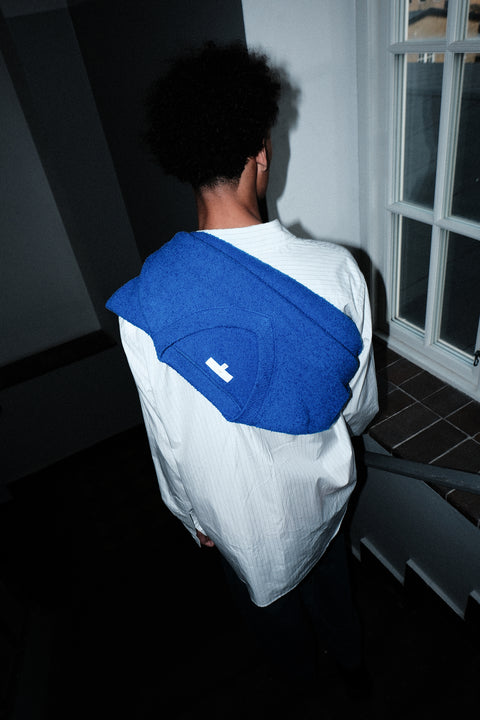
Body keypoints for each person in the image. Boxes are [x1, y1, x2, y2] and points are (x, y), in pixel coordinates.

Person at [107, 42, 378, 707]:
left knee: (276, 629)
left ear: (184, 164)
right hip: (322, 499)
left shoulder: (147, 299)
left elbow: (167, 439)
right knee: (335, 594)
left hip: (240, 526)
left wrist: (187, 514)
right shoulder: (337, 272)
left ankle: (305, 690)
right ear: (261, 151)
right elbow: (358, 406)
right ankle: (356, 673)